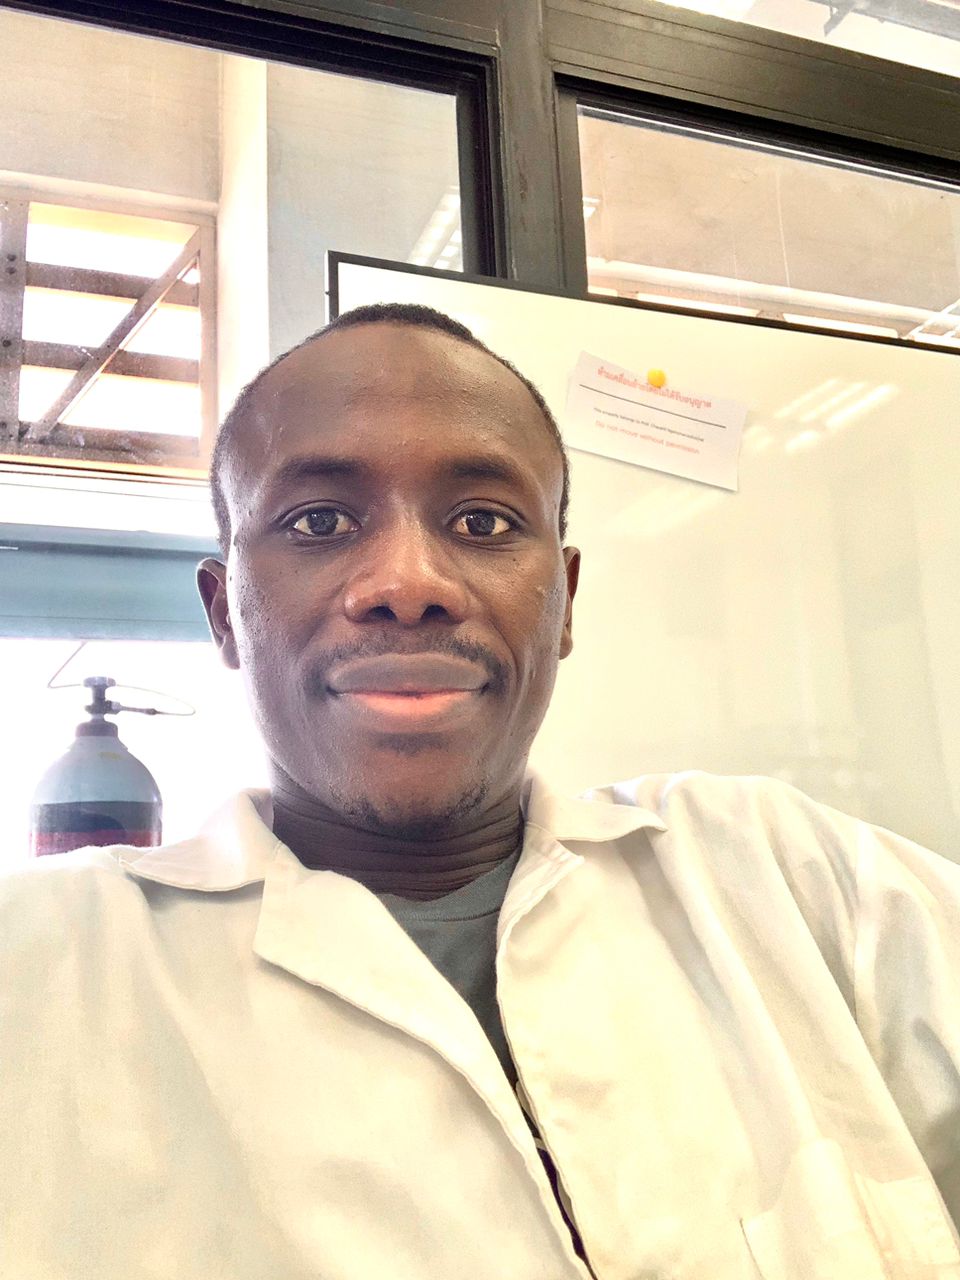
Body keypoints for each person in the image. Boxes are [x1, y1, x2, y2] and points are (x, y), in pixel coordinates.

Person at [2, 302, 959, 1280]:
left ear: (564, 600)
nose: (408, 583)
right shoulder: (40, 971)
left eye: (483, 522)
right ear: (224, 616)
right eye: (319, 521)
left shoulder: (794, 878)